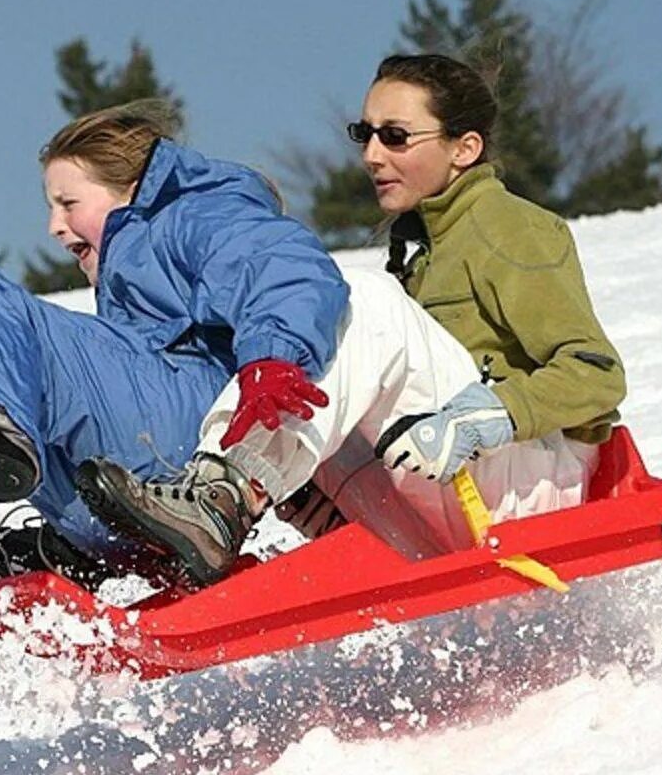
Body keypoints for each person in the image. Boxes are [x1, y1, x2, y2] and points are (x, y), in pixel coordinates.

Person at [84, 56, 626, 586]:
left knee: (354, 303)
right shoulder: (421, 243)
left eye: (395, 136)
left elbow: (598, 375)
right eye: (363, 133)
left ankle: (223, 496)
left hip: (536, 502)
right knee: (291, 339)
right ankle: (171, 522)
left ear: (465, 148)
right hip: (450, 496)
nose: (371, 154)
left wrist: (481, 419)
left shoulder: (507, 226)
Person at [0, 100, 349, 591]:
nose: (55, 227)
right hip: (134, 478)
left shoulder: (193, 215)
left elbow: (286, 267)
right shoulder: (135, 275)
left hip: (203, 427)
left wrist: (273, 357)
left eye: (68, 203)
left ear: (133, 191)